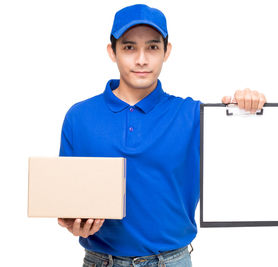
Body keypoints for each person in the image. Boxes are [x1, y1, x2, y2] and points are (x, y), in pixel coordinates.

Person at [57, 4, 266, 267]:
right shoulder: (79, 117)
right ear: (113, 52)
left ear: (167, 51)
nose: (141, 59)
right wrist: (74, 224)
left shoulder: (192, 114)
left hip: (171, 261)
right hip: (102, 261)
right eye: (129, 47)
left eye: (153, 47)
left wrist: (248, 108)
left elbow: (248, 158)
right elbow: (67, 199)